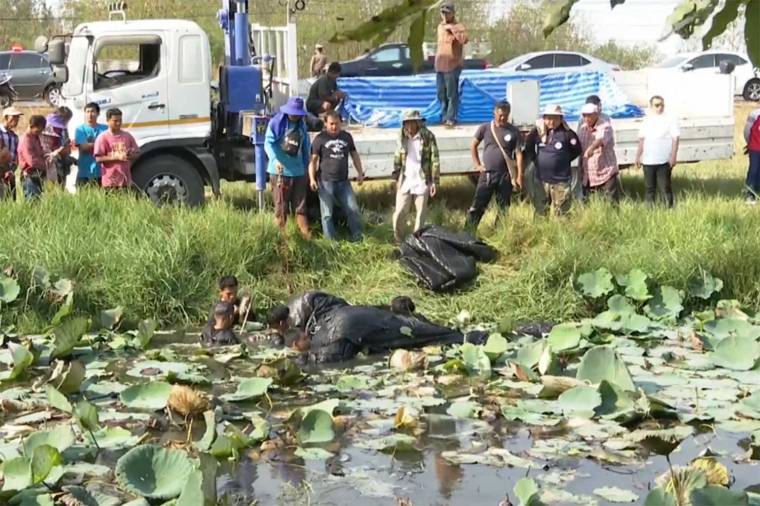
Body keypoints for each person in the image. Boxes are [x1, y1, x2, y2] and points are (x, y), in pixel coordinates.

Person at [269, 291, 486, 363]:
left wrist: (304, 360)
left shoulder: (314, 339)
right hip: (358, 316)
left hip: (351, 327)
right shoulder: (312, 308)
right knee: (414, 329)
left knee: (418, 335)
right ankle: (466, 337)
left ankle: (471, 338)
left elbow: (336, 352)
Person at [308, 111, 365, 241]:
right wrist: (312, 179)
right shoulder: (320, 139)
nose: (334, 127)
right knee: (327, 214)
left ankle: (358, 237)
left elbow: (355, 155)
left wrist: (360, 173)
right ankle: (331, 242)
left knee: (353, 210)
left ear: (341, 123)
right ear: (326, 124)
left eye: (337, 124)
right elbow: (313, 161)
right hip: (325, 182)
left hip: (343, 182)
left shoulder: (347, 137)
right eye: (331, 124)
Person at [466, 101, 524, 228]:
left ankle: (499, 232)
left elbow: (519, 154)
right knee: (478, 205)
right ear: (494, 113)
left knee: (503, 207)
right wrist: (477, 165)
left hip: (505, 176)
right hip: (487, 174)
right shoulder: (485, 128)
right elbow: (473, 145)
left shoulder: (513, 131)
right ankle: (469, 231)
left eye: (506, 115)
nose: (503, 118)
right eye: (500, 115)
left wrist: (519, 176)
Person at [265, 96, 312, 238]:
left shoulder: (302, 127)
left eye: (297, 114)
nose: (295, 116)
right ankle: (281, 239)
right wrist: (274, 160)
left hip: (298, 173)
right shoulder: (276, 124)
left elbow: (305, 149)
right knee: (281, 208)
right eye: (292, 113)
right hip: (279, 172)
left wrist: (307, 171)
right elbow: (268, 143)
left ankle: (306, 236)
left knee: (301, 207)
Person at [524, 105, 582, 216]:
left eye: (555, 118)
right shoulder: (538, 132)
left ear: (561, 119)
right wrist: (536, 160)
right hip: (541, 180)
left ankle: (559, 232)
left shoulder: (568, 133)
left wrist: (564, 160)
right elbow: (528, 146)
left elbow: (577, 150)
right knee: (541, 210)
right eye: (548, 118)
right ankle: (542, 231)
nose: (551, 121)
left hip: (561, 180)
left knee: (561, 213)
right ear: (544, 118)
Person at [392, 110, 440, 243]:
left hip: (422, 179)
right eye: (406, 123)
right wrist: (396, 177)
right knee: (399, 214)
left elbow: (434, 159)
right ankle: (399, 241)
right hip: (406, 179)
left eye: (411, 123)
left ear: (417, 123)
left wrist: (434, 182)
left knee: (420, 216)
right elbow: (397, 156)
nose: (408, 127)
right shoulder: (401, 136)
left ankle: (416, 242)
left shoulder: (428, 136)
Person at [635, 95, 680, 208]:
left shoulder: (670, 119)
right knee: (649, 188)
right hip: (648, 161)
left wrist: (673, 156)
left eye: (662, 105)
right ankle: (649, 212)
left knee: (665, 188)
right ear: (651, 106)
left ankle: (669, 210)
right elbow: (641, 140)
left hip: (663, 161)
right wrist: (637, 157)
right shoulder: (646, 120)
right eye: (657, 105)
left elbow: (675, 139)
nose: (660, 107)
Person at [578, 103, 621, 202]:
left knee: (611, 201)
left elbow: (600, 139)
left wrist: (592, 148)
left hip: (606, 170)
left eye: (589, 115)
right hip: (589, 172)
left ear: (596, 114)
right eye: (584, 115)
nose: (586, 118)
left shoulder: (605, 126)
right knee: (589, 200)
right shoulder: (582, 128)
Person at [435, 2, 468, 128]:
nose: (444, 15)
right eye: (442, 12)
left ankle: (450, 118)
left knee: (451, 93)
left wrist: (453, 29)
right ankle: (444, 116)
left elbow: (464, 40)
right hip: (440, 65)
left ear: (453, 13)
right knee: (441, 93)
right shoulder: (439, 27)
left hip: (452, 65)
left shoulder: (458, 26)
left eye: (447, 12)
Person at [94, 108, 140, 191]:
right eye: (115, 121)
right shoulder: (102, 137)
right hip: (110, 182)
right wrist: (117, 157)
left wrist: (131, 155)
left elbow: (137, 153)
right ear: (108, 120)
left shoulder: (127, 136)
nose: (118, 123)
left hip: (126, 181)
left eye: (120, 120)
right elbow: (98, 158)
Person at [74, 102, 108, 186]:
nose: (90, 114)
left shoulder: (105, 129)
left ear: (98, 113)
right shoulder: (80, 129)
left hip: (102, 172)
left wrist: (92, 144)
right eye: (87, 112)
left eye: (92, 111)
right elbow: (84, 147)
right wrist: (101, 144)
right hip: (85, 172)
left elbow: (109, 146)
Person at [17, 115, 48, 200]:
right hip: (30, 176)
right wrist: (45, 165)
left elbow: (40, 153)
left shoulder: (35, 138)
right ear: (32, 126)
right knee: (32, 202)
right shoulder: (26, 140)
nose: (41, 131)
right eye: (39, 129)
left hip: (37, 175)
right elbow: (31, 161)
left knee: (37, 201)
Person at [41, 106, 74, 184]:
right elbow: (64, 147)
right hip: (58, 162)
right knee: (58, 186)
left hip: (43, 160)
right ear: (65, 118)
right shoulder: (62, 128)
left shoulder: (44, 123)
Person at [0, 106, 23, 199]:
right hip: (1, 173)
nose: (16, 120)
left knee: (11, 200)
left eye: (18, 118)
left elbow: (16, 156)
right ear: (6, 118)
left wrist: (11, 171)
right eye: (14, 117)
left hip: (10, 174)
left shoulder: (14, 137)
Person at [743, 105, 760, 204]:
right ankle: (750, 193)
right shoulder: (755, 115)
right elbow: (747, 132)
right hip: (755, 148)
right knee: (753, 170)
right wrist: (749, 143)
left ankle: (757, 190)